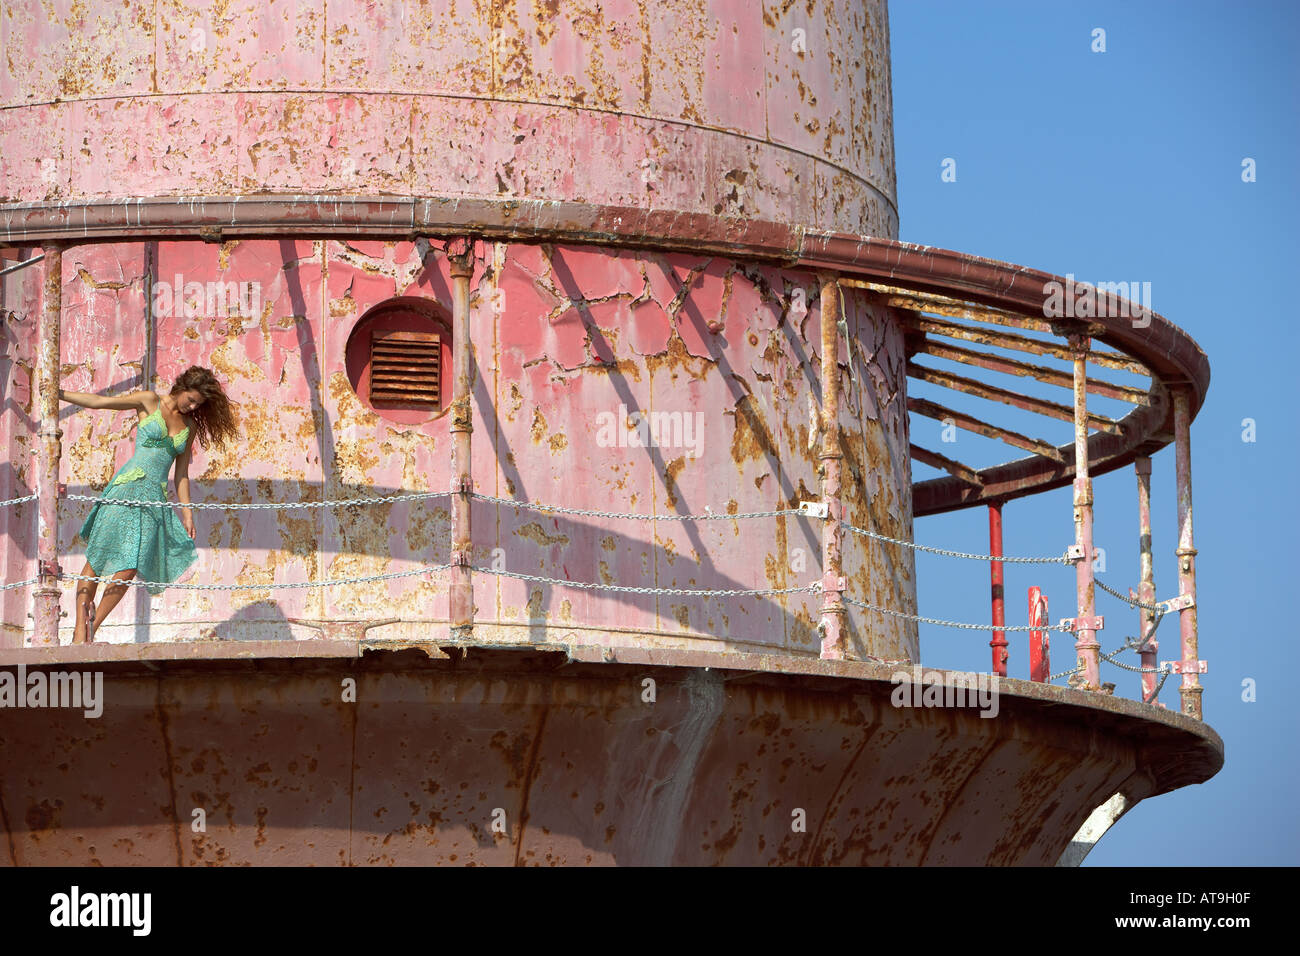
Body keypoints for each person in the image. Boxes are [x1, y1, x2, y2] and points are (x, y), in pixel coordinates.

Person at [59, 366, 237, 643]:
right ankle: (80, 634)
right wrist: (58, 394)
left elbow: (181, 475)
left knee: (129, 568)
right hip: (125, 488)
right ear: (180, 387)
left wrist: (187, 513)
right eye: (190, 399)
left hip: (154, 500)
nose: (192, 406)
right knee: (97, 558)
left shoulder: (188, 427)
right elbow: (101, 403)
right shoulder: (148, 401)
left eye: (198, 404)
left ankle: (92, 626)